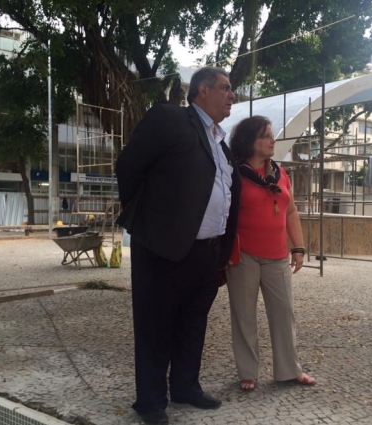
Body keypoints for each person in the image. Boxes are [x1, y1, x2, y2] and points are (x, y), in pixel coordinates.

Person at [116, 67, 240, 425]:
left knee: (192, 322)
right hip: (161, 246)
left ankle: (185, 387)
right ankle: (151, 402)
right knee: (155, 325)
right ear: (202, 91)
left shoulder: (221, 141)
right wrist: (147, 222)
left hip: (206, 251)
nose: (232, 95)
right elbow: (129, 165)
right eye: (225, 88)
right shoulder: (170, 118)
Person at [226, 116, 315, 391]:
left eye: (271, 134)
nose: (272, 140)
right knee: (244, 315)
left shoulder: (279, 173)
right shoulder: (234, 174)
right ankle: (248, 372)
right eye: (266, 135)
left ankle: (290, 370)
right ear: (250, 142)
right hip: (244, 255)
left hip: (277, 255)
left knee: (284, 312)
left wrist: (298, 247)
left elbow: (290, 210)